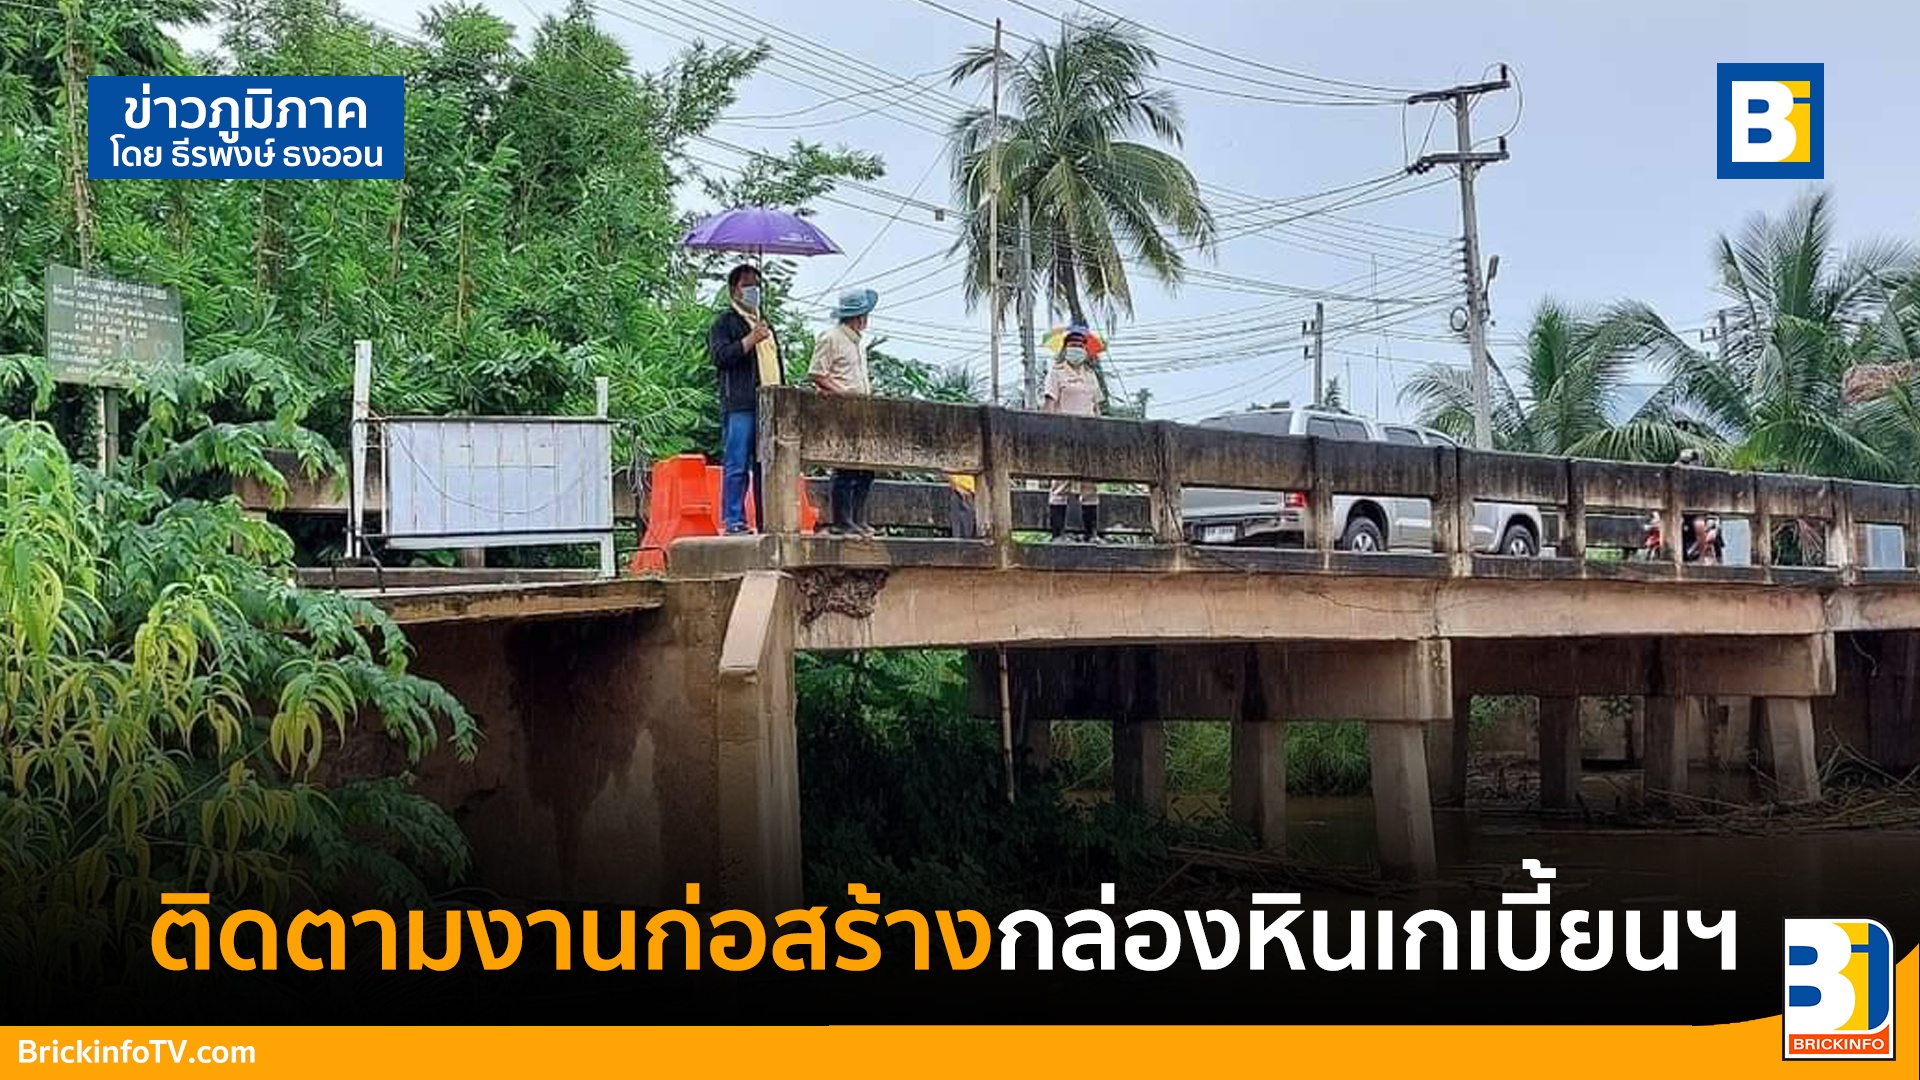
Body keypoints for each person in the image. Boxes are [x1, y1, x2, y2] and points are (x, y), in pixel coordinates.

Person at [708, 264, 780, 534]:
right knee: (737, 463)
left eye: (756, 285)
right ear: (733, 290)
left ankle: (766, 520)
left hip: (769, 405)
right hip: (740, 404)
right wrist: (750, 339)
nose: (753, 291)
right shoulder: (725, 323)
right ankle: (734, 520)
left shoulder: (766, 324)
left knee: (766, 466)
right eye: (746, 285)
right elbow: (720, 357)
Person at [809, 288, 879, 536]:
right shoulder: (831, 338)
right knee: (845, 465)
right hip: (841, 411)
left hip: (862, 410)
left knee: (866, 468)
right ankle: (843, 520)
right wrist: (842, 393)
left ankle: (858, 519)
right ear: (859, 316)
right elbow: (817, 373)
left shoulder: (858, 343)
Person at [1041, 324, 1107, 542]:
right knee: (1060, 484)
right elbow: (1050, 405)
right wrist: (1046, 433)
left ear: (1086, 350)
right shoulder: (1056, 373)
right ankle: (1058, 534)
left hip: (1089, 437)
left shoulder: (1090, 375)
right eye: (1072, 345)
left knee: (1090, 485)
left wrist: (1101, 435)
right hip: (1063, 437)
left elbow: (1096, 408)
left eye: (1080, 345)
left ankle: (1092, 534)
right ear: (1065, 348)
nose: (1076, 348)